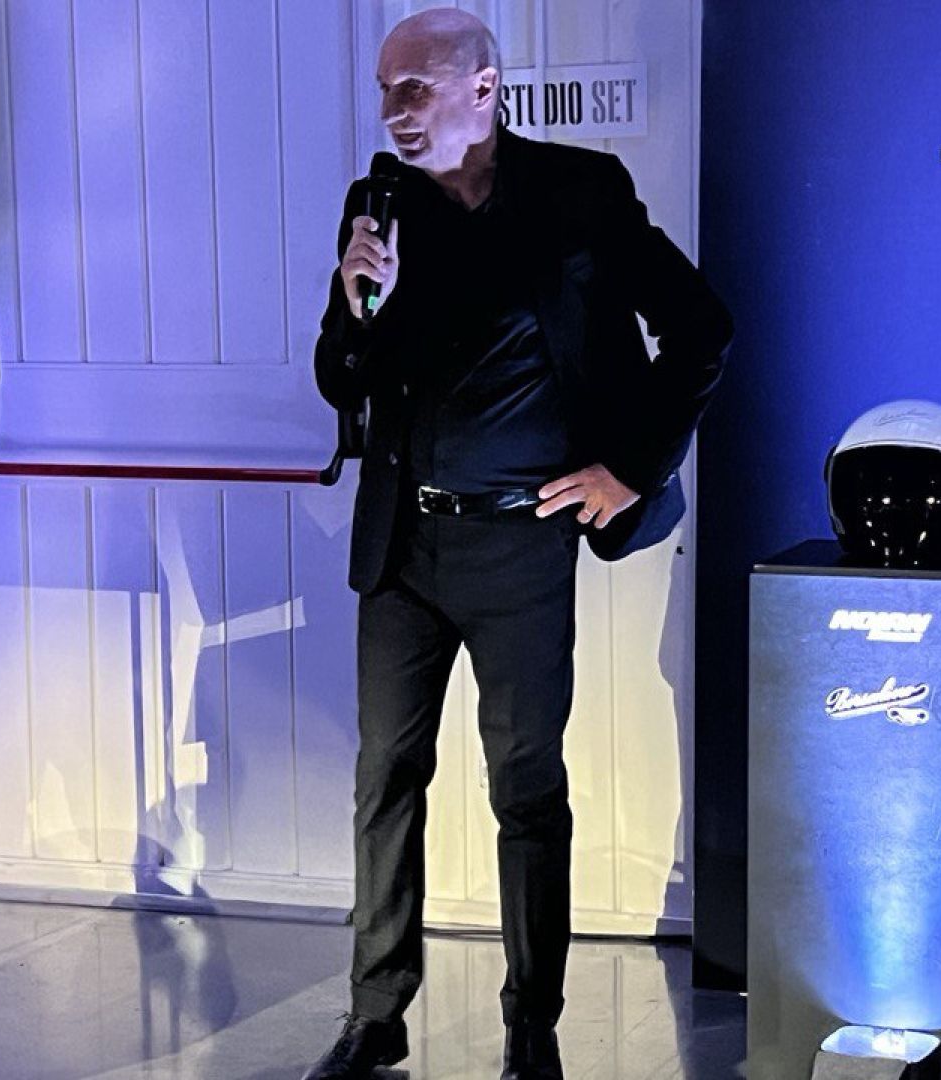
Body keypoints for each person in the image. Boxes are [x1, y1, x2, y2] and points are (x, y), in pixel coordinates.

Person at [304, 10, 731, 1079]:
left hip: (521, 546)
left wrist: (632, 468)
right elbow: (339, 379)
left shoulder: (580, 192)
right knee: (385, 778)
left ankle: (530, 1027)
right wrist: (354, 309)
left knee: (526, 787)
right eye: (385, 90)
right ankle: (376, 1015)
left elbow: (700, 327)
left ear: (484, 88)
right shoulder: (378, 204)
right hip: (404, 548)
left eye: (415, 88)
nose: (395, 110)